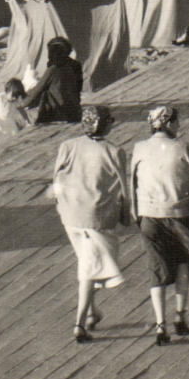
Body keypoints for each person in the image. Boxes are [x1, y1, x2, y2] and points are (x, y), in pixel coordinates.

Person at [129, 105, 189, 346]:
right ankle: (180, 315)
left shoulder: (139, 148)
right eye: (177, 121)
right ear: (169, 123)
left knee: (156, 270)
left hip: (148, 216)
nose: (179, 126)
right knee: (182, 265)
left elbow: (131, 182)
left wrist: (134, 212)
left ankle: (160, 326)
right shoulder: (180, 147)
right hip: (179, 215)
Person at [49, 105, 131, 344]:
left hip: (69, 216)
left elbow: (56, 180)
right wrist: (126, 215)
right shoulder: (114, 152)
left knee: (88, 264)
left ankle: (93, 312)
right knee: (89, 270)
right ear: (104, 124)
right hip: (96, 219)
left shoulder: (68, 146)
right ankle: (79, 323)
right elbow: (123, 191)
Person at [26, 36, 83, 124]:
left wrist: (22, 103)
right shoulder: (74, 65)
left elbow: (38, 90)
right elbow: (78, 88)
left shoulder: (53, 68)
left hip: (58, 112)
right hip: (74, 110)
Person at [0, 77, 31, 145]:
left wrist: (27, 120)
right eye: (13, 96)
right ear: (7, 91)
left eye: (16, 96)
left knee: (11, 138)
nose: (14, 98)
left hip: (7, 122)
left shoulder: (15, 101)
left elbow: (21, 109)